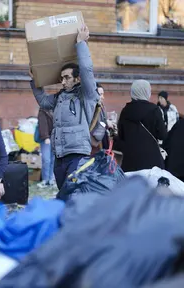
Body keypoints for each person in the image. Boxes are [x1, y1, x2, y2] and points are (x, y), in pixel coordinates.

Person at [29, 25, 99, 190]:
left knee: (73, 194)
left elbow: (87, 70)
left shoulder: (86, 94)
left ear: (77, 79)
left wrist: (81, 44)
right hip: (59, 155)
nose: (63, 81)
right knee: (62, 195)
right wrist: (35, 81)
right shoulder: (60, 96)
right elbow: (44, 102)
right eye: (61, 78)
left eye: (67, 77)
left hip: (77, 155)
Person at [114, 79, 167, 172]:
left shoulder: (126, 111)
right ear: (147, 92)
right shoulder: (155, 110)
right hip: (152, 160)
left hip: (130, 160)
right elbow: (162, 135)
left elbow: (121, 136)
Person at [37, 108, 56, 188]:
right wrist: (45, 137)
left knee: (53, 159)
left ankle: (51, 179)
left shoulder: (57, 107)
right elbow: (42, 124)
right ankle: (45, 180)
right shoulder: (43, 110)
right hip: (46, 139)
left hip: (55, 137)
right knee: (46, 160)